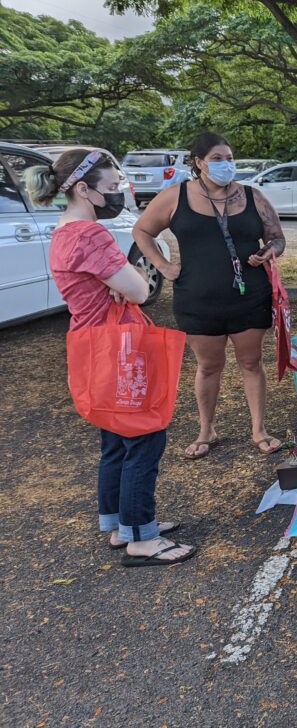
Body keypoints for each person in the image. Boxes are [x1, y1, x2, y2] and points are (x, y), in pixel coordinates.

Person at [27, 150, 196, 568]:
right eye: (111, 187)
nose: (118, 193)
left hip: (90, 346)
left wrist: (120, 281)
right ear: (83, 189)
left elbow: (119, 284)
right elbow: (140, 289)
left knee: (116, 440)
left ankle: (122, 524)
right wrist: (128, 279)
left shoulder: (63, 232)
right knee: (144, 433)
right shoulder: (90, 235)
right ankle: (141, 537)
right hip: (116, 348)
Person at [133, 133, 286, 459]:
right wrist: (162, 265)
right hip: (197, 299)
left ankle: (258, 429)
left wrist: (268, 251)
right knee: (209, 366)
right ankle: (207, 430)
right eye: (217, 159)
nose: (225, 165)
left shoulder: (253, 197)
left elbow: (278, 238)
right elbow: (142, 231)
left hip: (249, 296)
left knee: (251, 363)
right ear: (199, 163)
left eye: (229, 158)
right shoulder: (176, 197)